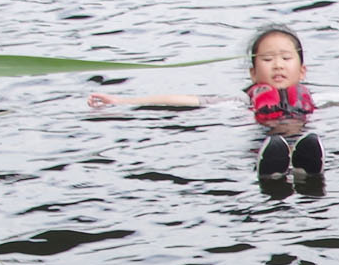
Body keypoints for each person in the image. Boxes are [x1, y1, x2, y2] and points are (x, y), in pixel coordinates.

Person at [86, 27, 323, 179]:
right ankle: (272, 171)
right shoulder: (241, 101)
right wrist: (122, 101)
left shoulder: (318, 99)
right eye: (268, 59)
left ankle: (304, 167)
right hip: (265, 142)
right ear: (253, 73)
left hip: (301, 137)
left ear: (302, 71)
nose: (278, 65)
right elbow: (186, 101)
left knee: (305, 143)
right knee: (273, 146)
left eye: (286, 58)